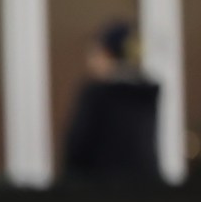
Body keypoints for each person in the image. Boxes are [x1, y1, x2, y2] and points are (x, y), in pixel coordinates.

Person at [60, 20, 163, 189]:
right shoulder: (146, 95)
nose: (90, 62)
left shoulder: (96, 95)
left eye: (94, 53)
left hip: (101, 196)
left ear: (106, 54)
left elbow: (77, 149)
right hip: (144, 196)